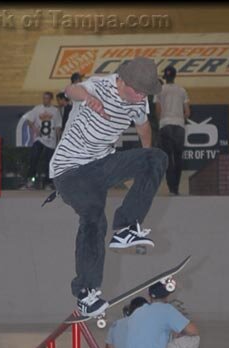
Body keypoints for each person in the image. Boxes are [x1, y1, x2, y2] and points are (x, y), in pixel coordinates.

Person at [49, 57, 167, 318]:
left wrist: (145, 167)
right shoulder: (101, 86)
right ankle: (86, 293)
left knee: (157, 157)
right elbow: (71, 90)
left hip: (101, 166)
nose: (139, 98)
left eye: (144, 94)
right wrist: (88, 99)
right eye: (136, 92)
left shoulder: (139, 98)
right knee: (93, 217)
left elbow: (144, 127)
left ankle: (126, 227)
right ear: (122, 81)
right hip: (70, 171)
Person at [155, 66, 190, 196]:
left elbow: (158, 110)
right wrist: (180, 117)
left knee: (168, 158)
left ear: (166, 77)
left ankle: (171, 188)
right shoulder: (182, 91)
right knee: (178, 157)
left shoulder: (160, 90)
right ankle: (176, 187)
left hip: (165, 125)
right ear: (175, 76)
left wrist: (162, 120)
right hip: (179, 125)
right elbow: (187, 112)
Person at [21, 92, 62, 190]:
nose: (45, 100)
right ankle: (31, 180)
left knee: (49, 161)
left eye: (47, 98)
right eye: (44, 98)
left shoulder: (55, 111)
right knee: (34, 157)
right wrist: (35, 129)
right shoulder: (37, 109)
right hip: (39, 138)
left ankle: (48, 182)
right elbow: (29, 121)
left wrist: (58, 141)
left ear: (50, 99)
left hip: (51, 140)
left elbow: (58, 127)